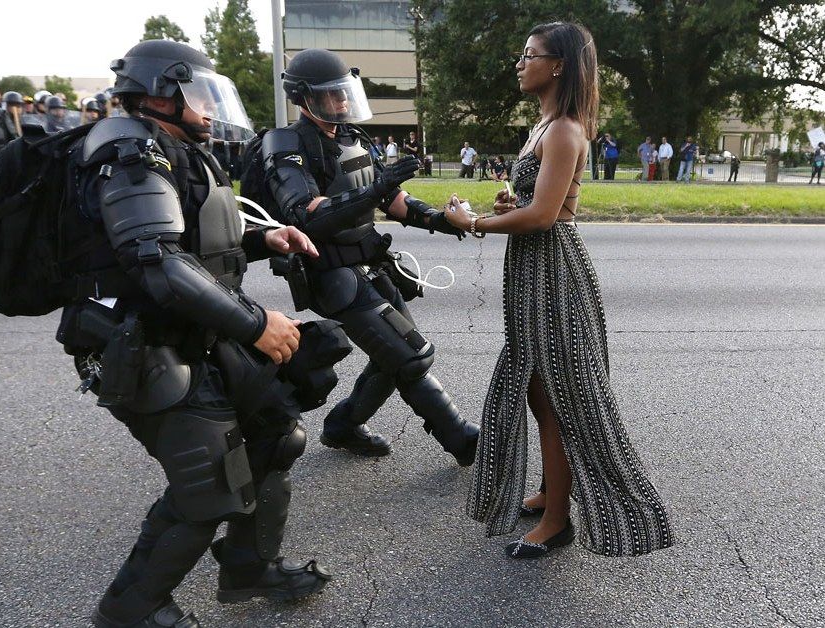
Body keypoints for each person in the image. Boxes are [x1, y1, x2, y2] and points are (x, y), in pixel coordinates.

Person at [61, 40, 336, 627]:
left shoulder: (177, 149)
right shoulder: (130, 152)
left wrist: (265, 239)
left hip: (192, 331)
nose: (210, 109)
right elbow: (157, 260)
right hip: (141, 343)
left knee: (274, 435)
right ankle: (131, 611)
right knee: (209, 484)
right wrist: (257, 325)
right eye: (199, 95)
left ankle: (248, 566)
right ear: (162, 93)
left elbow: (197, 244)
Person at [445, 21, 674, 559]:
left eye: (531, 55)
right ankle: (552, 490)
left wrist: (473, 221)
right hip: (533, 271)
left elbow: (546, 216)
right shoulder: (543, 126)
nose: (521, 63)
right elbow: (533, 205)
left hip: (554, 273)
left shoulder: (566, 129)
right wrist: (509, 206)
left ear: (559, 65)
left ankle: (557, 520)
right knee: (535, 387)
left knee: (559, 398)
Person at [262, 48, 480, 463]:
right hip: (330, 272)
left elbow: (392, 198)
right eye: (332, 95)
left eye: (345, 93)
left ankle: (343, 425)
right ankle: (462, 439)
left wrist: (441, 220)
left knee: (393, 356)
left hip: (370, 264)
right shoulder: (286, 144)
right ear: (304, 97)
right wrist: (374, 191)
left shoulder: (351, 138)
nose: (342, 102)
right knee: (411, 355)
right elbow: (305, 214)